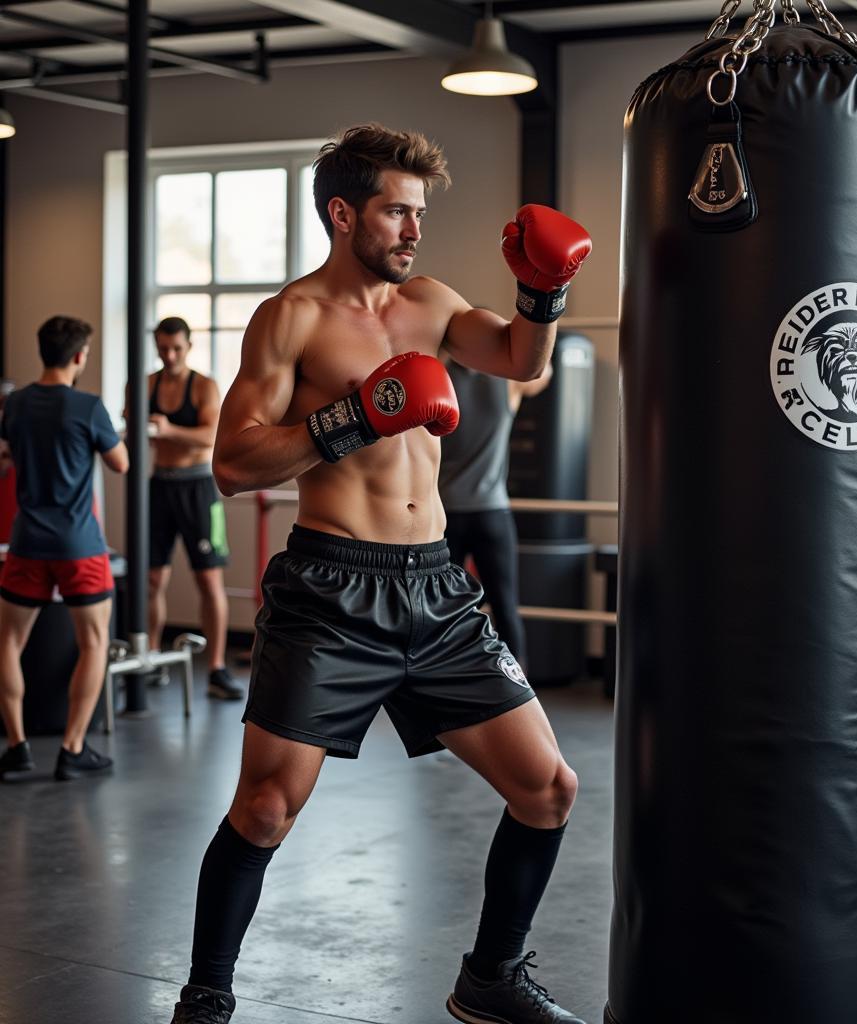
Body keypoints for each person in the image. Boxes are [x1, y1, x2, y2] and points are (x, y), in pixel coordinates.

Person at [169, 123, 592, 1024]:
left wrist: (542, 293)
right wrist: (354, 415)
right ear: (342, 212)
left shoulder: (432, 301)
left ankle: (491, 977)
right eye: (397, 212)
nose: (412, 230)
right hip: (331, 592)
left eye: (418, 214)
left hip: (437, 589)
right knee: (266, 807)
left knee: (548, 788)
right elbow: (235, 465)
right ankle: (207, 994)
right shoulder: (293, 317)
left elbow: (522, 361)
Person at [0, 315, 128, 781]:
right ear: (78, 356)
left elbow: (8, 453)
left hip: (27, 541)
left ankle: (17, 747)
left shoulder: (13, 405)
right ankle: (72, 748)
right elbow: (121, 463)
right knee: (93, 642)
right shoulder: (88, 407)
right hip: (79, 544)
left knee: (8, 643)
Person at [145, 317, 243, 700]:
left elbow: (209, 436)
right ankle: (151, 656)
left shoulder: (204, 385)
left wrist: (167, 431)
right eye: (163, 348)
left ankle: (216, 667)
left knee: (209, 580)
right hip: (159, 486)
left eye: (176, 349)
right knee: (153, 579)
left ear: (188, 346)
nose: (169, 356)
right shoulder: (145, 384)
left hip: (198, 488)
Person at [439, 357, 552, 672]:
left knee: (447, 610)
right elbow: (541, 372)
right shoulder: (508, 382)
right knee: (505, 606)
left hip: (446, 513)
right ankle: (519, 686)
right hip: (492, 512)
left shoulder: (439, 379)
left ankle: (448, 680)